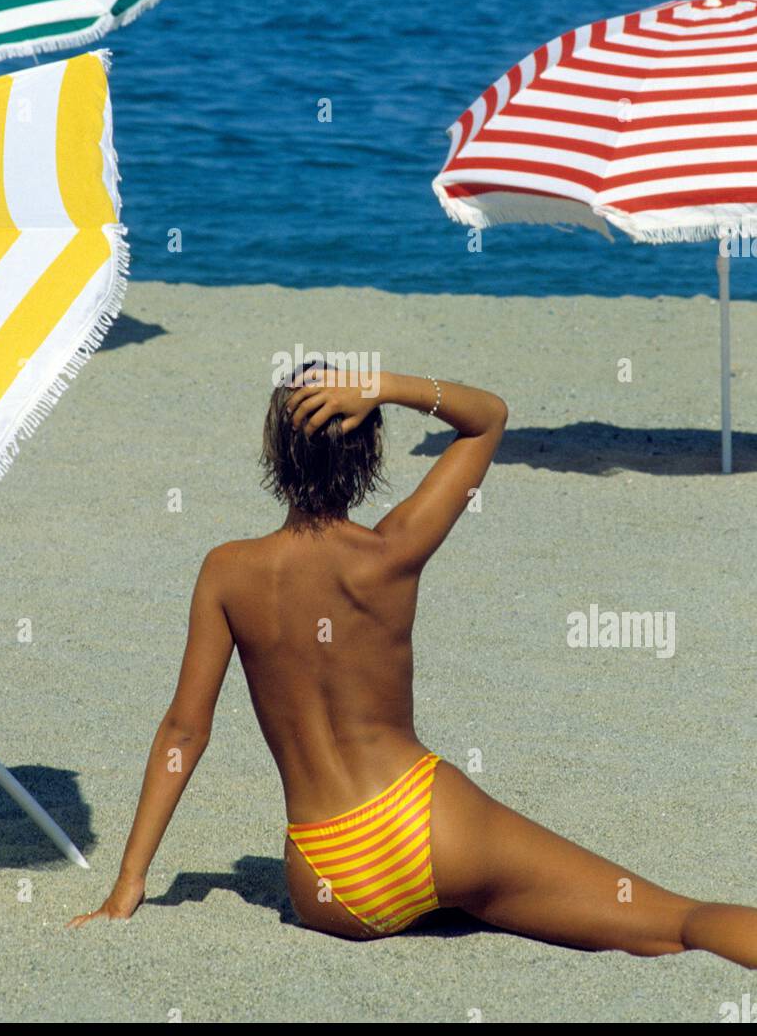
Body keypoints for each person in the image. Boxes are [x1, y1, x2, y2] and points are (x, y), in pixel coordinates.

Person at [69, 365, 757, 965]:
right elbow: (487, 419)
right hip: (430, 826)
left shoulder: (226, 571)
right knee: (669, 920)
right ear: (366, 455)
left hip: (331, 881)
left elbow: (184, 734)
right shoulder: (389, 553)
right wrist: (386, 387)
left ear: (274, 454)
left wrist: (129, 883)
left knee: (520, 905)